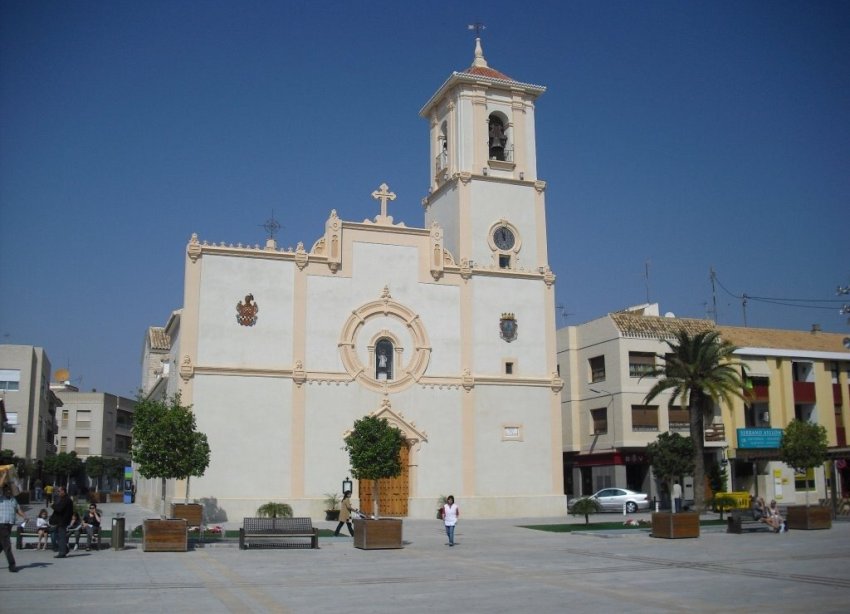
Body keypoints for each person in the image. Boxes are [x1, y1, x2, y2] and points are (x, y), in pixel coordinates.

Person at [1, 484, 26, 572]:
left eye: (9, 490)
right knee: (7, 545)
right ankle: (12, 565)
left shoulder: (13, 500)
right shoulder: (1, 499)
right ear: (3, 491)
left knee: (1, 545)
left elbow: (17, 509)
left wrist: (24, 516)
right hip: (1, 524)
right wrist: (4, 476)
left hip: (10, 524)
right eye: (6, 490)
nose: (8, 491)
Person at [50, 486, 73, 558]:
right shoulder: (64, 499)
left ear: (63, 491)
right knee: (58, 535)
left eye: (59, 491)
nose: (58, 493)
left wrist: (53, 505)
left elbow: (59, 509)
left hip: (63, 521)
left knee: (61, 536)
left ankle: (62, 552)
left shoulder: (66, 499)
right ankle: (65, 549)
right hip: (61, 520)